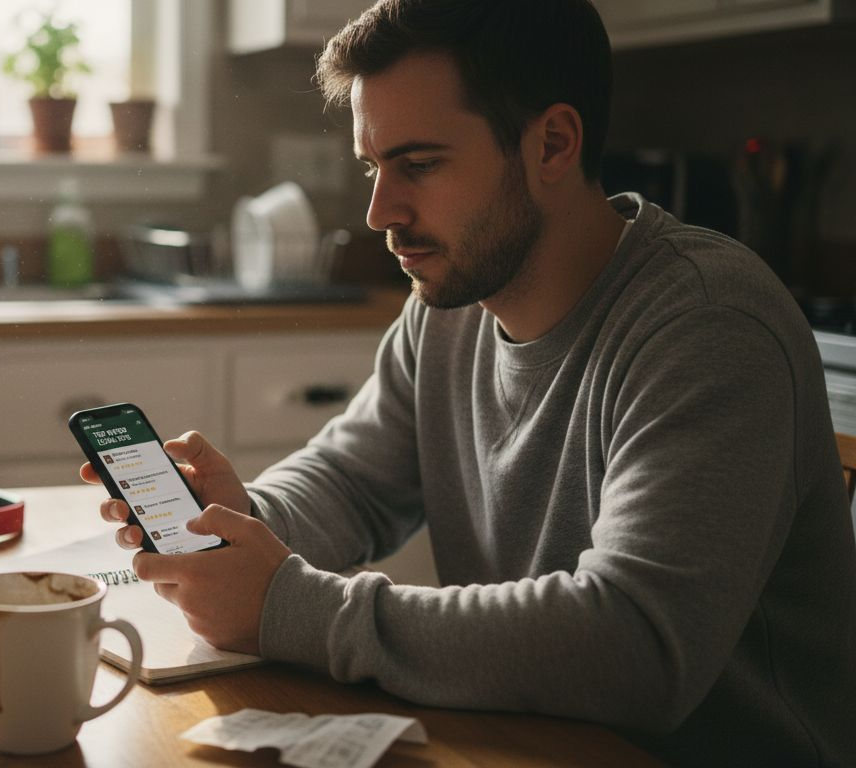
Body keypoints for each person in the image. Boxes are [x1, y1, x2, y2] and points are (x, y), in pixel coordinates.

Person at [81, 1, 856, 765]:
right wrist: (243, 517)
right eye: (372, 167)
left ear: (552, 144)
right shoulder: (452, 303)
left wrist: (288, 607)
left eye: (418, 164)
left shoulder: (707, 326)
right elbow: (352, 481)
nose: (382, 211)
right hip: (526, 739)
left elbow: (635, 644)